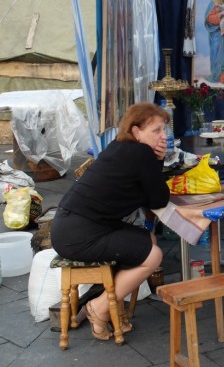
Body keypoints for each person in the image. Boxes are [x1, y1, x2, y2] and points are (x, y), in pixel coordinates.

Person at [50, 103, 171, 341]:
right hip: (80, 234)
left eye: (163, 130)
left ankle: (110, 309)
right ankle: (100, 307)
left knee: (149, 239)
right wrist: (160, 159)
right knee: (153, 256)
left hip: (74, 226)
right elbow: (159, 198)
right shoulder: (141, 153)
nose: (163, 136)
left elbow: (151, 193)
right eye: (156, 131)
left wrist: (156, 161)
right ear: (136, 132)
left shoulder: (121, 146)